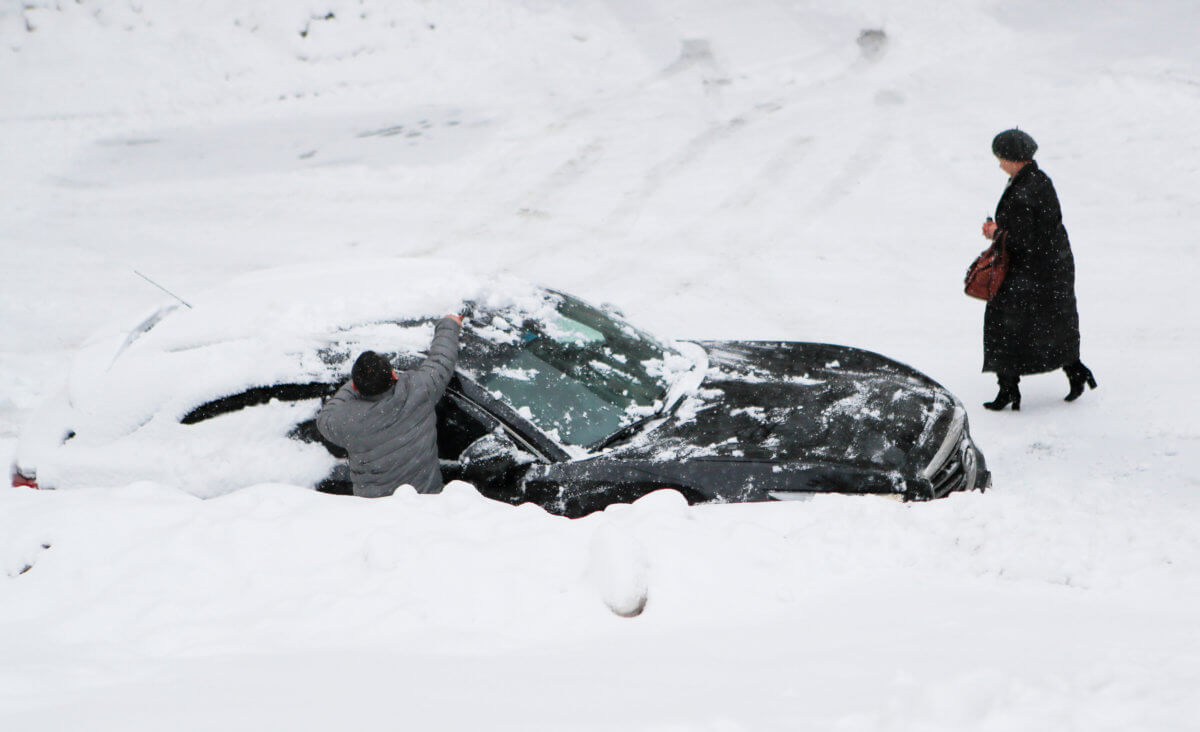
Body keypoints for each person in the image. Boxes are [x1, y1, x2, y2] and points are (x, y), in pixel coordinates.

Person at [979, 128, 1096, 411]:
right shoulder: (1036, 180)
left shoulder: (1025, 190)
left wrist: (996, 233)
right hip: (1049, 269)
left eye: (1001, 157)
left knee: (1005, 327)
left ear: (1013, 158)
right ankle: (1073, 371)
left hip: (1031, 272)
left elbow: (1025, 240)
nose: (999, 163)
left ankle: (1009, 390)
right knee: (1052, 325)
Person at [316, 314, 463, 496]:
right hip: (425, 504)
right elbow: (442, 358)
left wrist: (355, 384)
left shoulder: (347, 422)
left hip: (379, 514)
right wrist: (450, 323)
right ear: (394, 375)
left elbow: (324, 418)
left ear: (355, 386)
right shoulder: (419, 390)